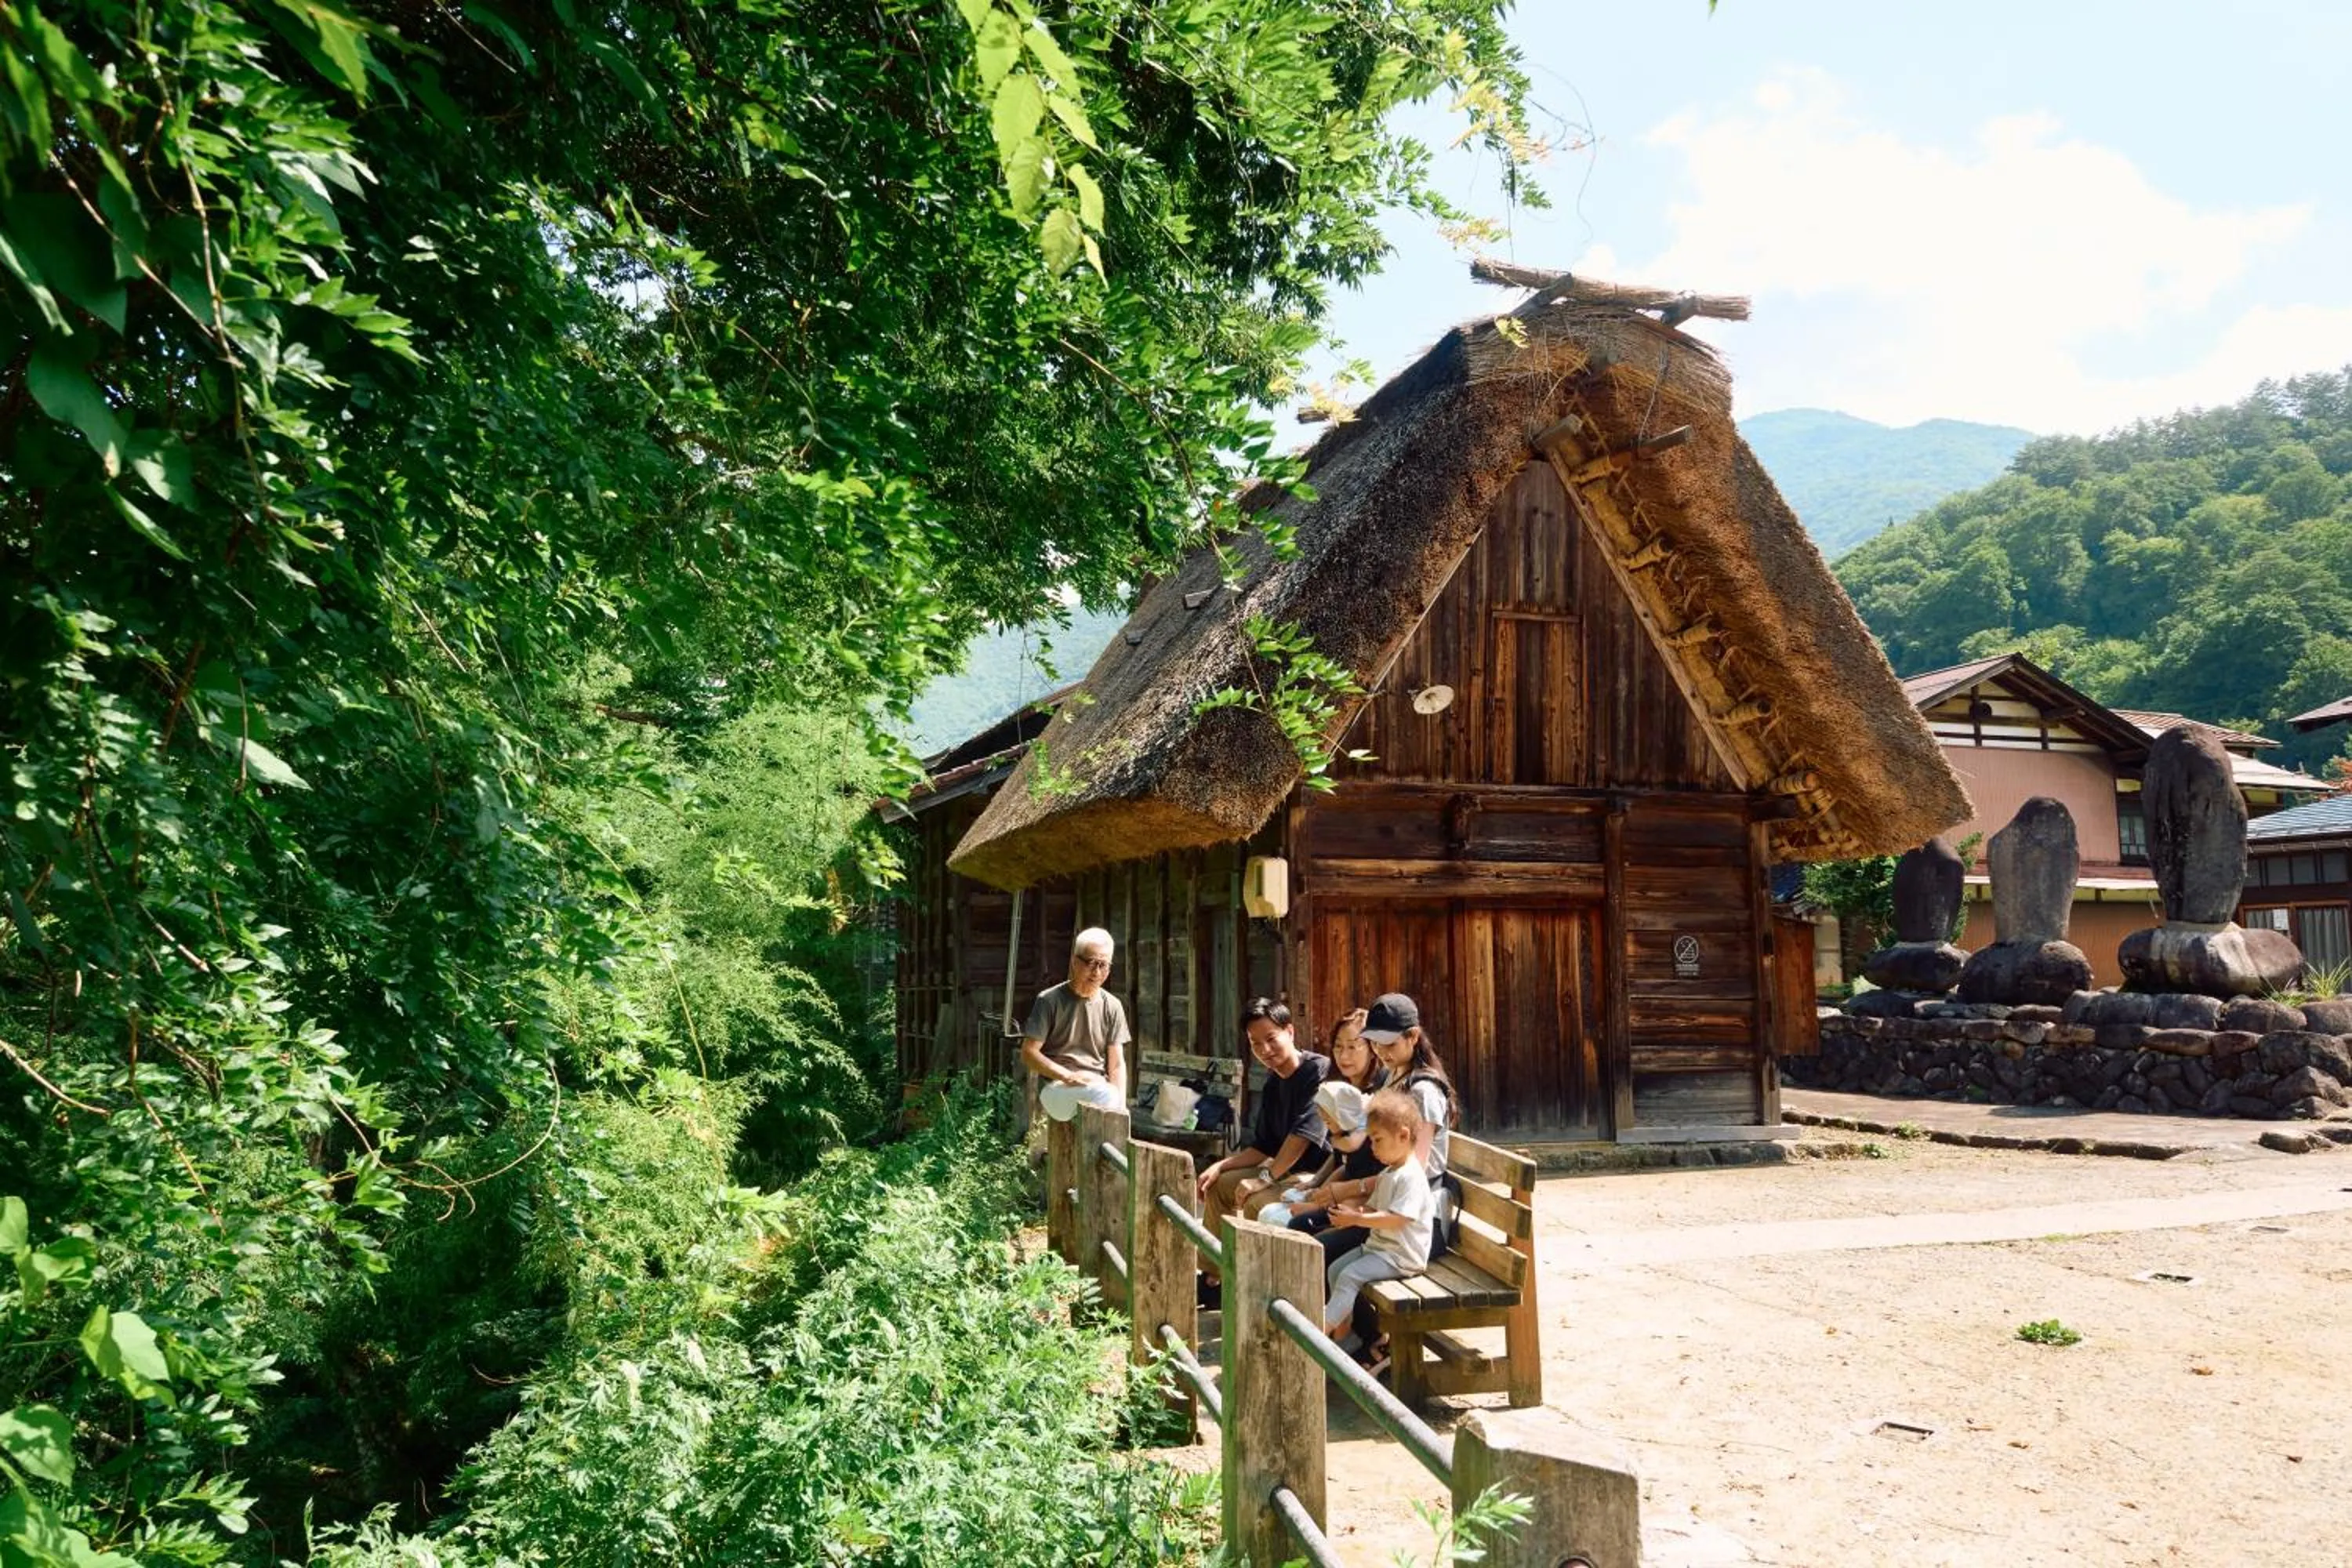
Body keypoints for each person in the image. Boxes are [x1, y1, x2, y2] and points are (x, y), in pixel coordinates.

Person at [1193, 997, 1330, 1289]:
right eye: (1256, 1044)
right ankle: (1214, 1277)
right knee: (1218, 1185)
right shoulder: (1273, 1083)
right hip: (1284, 1172)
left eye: (1271, 1039)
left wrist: (1265, 1178)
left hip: (1316, 1177)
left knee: (1255, 1199)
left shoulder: (1317, 1071)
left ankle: (1259, 1289)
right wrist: (1220, 1165)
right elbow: (1263, 1146)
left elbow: (1302, 1138)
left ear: (1290, 1032)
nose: (1265, 1050)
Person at [1322, 1087, 1436, 1351]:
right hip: (1380, 1249)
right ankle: (1344, 1336)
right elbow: (1373, 1208)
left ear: (1403, 1136)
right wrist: (1353, 1214)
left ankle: (1319, 1331)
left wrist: (1358, 1221)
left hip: (1401, 1257)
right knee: (1335, 1269)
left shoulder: (1410, 1176)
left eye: (1377, 1140)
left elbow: (1397, 1220)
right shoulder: (1389, 1172)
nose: (1372, 1148)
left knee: (1349, 1276)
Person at [1022, 928, 1131, 1121]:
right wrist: (1068, 1076)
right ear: (1074, 961)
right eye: (1090, 963)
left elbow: (1116, 1065)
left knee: (1112, 1099)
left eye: (1103, 965)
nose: (1096, 972)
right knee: (1106, 1096)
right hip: (1055, 1088)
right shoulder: (1049, 1000)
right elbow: (1029, 1053)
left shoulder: (1113, 1006)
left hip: (1097, 1089)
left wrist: (1121, 1109)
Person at [1361, 992, 1456, 1179]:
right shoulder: (1391, 1075)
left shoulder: (1424, 1091)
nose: (1381, 1052)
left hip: (1419, 1196)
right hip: (1390, 1183)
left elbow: (1416, 1169)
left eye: (1390, 1045)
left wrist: (1356, 1188)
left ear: (1413, 1036)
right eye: (1375, 1044)